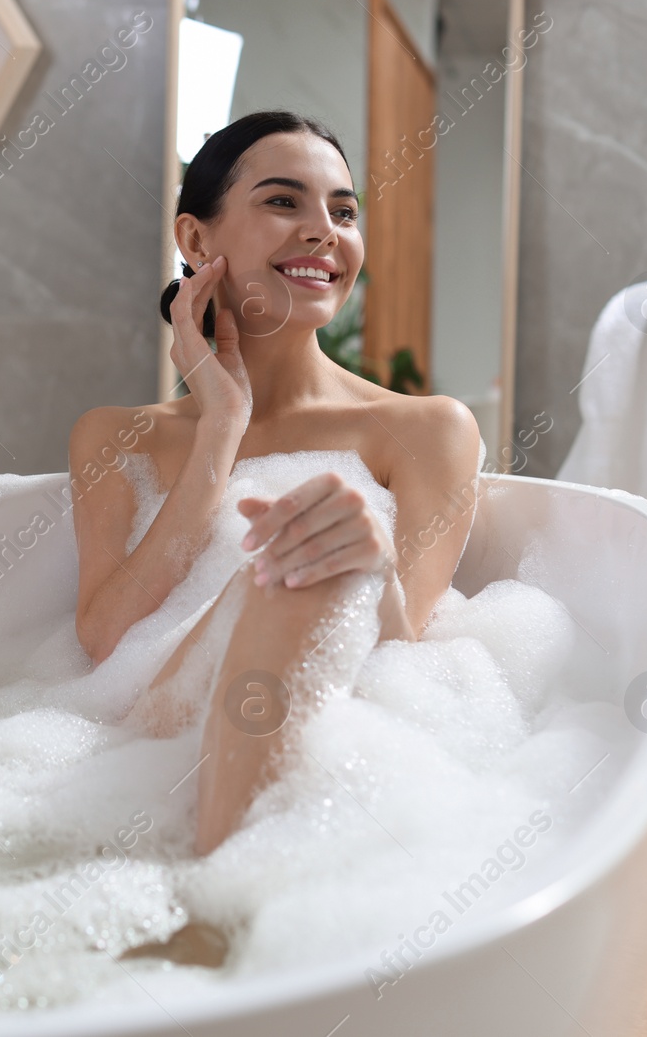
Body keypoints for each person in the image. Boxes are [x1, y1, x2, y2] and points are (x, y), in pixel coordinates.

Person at [68, 110, 483, 860]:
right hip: (141, 749)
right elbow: (106, 644)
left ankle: (217, 906)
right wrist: (220, 427)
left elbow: (398, 657)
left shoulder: (428, 431)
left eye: (344, 211)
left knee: (306, 556)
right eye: (284, 201)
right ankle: (218, 900)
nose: (325, 230)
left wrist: (373, 562)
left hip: (333, 753)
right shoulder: (114, 436)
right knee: (295, 554)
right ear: (195, 240)